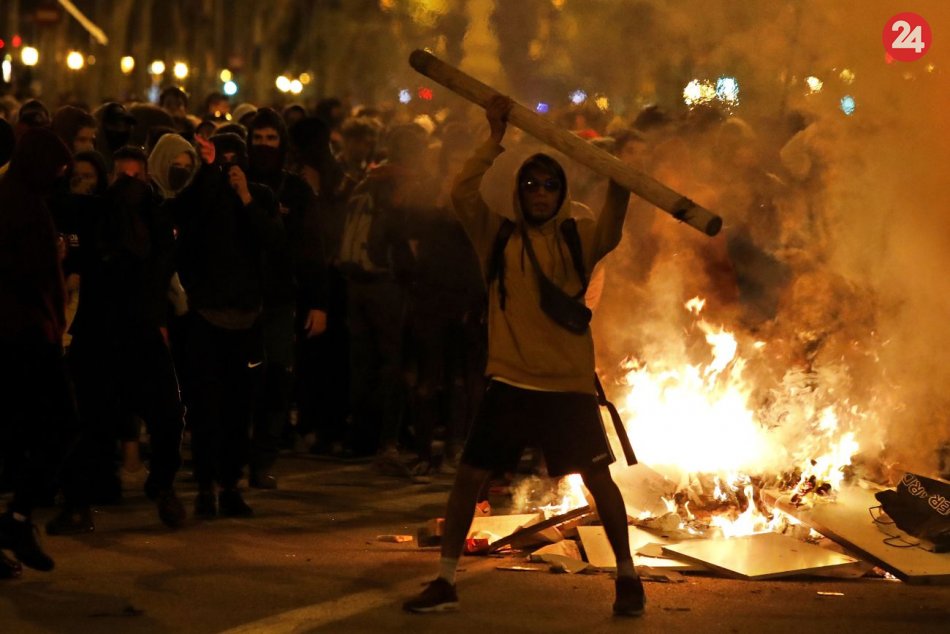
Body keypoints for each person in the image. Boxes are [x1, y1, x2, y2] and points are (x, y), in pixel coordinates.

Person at [403, 96, 645, 617]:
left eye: (549, 185)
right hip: (511, 383)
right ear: (519, 191)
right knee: (468, 478)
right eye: (531, 184)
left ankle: (628, 578)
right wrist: (493, 139)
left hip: (567, 386)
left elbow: (614, 221)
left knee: (599, 481)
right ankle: (445, 581)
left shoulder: (579, 239)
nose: (539, 193)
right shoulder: (497, 236)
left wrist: (619, 173)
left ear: (562, 193)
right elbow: (462, 192)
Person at [171, 132, 281, 518]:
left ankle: (231, 485)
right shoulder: (202, 194)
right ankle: (206, 487)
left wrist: (246, 196)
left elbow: (273, 239)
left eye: (236, 158)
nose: (230, 165)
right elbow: (185, 227)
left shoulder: (260, 195)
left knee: (239, 408)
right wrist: (207, 176)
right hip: (207, 316)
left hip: (246, 317)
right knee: (206, 407)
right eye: (223, 158)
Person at [0, 128, 78, 572]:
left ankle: (15, 519)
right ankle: (16, 518)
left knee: (17, 435)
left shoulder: (23, 199)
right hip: (25, 335)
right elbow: (23, 271)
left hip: (27, 332)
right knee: (61, 424)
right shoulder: (20, 206)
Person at [245, 107, 328, 488]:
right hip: (240, 296)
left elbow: (313, 248)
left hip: (280, 298)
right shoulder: (237, 181)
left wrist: (318, 302)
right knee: (239, 380)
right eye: (258, 138)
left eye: (271, 138)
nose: (264, 145)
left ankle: (263, 459)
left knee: (276, 379)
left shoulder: (295, 190)